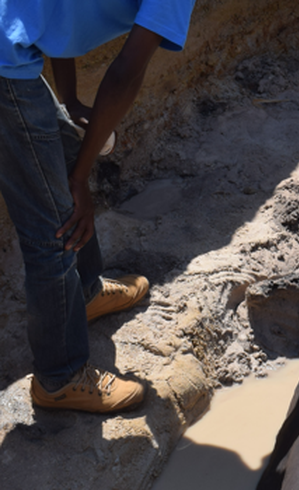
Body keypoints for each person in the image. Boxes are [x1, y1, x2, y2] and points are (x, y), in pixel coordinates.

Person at [0, 0, 196, 413]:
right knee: (54, 227)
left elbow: (52, 11)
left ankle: (85, 293)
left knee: (66, 154)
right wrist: (80, 178)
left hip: (11, 44)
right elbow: (126, 72)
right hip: (6, 66)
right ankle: (60, 377)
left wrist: (68, 99)